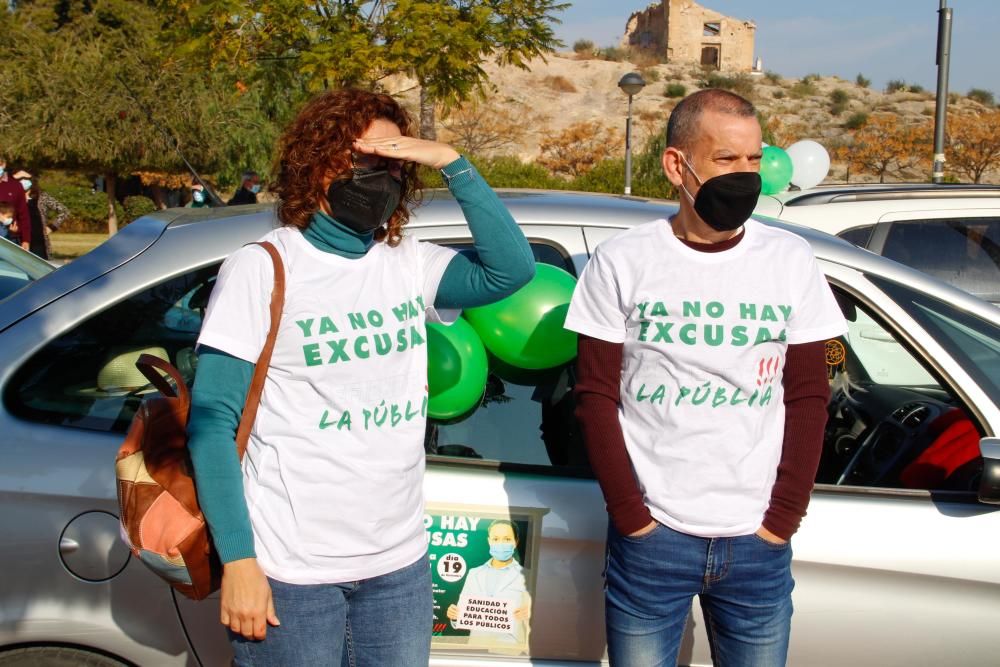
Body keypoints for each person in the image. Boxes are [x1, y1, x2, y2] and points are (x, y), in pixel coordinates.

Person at [187, 88, 535, 666]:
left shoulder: (406, 263)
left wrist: (452, 162)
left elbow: (512, 269)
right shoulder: (264, 267)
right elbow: (212, 424)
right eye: (362, 161)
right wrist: (239, 561)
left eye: (391, 165)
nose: (378, 177)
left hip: (397, 569)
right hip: (292, 574)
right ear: (316, 163)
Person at [564, 89, 847, 667]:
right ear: (677, 165)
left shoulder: (790, 259)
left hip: (758, 546)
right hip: (654, 540)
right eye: (725, 160)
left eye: (754, 159)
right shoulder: (623, 260)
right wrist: (632, 517)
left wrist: (781, 519)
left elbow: (810, 397)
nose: (745, 176)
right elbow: (595, 396)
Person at [446, 520, 531, 647]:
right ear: (489, 541)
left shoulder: (528, 576)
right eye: (496, 539)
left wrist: (532, 615)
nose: (501, 543)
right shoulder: (474, 574)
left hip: (511, 650)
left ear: (516, 542)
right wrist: (454, 615)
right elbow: (461, 614)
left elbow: (539, 621)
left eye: (507, 539)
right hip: (477, 647)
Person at [15, 170, 70, 260]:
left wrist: (52, 227)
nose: (23, 181)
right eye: (20, 179)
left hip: (38, 241)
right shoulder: (13, 197)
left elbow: (64, 211)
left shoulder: (42, 197)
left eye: (26, 178)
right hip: (19, 240)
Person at [0, 156, 30, 250]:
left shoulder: (15, 186)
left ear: (3, 165)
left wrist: (26, 240)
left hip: (10, 238)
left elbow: (23, 214)